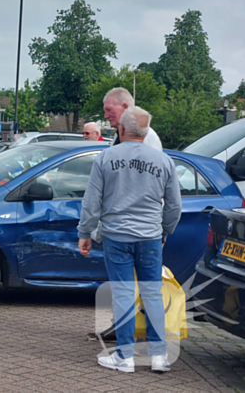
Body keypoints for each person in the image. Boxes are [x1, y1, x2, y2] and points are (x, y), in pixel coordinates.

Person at [77, 106, 182, 373]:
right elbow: (173, 207)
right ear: (146, 133)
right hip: (150, 236)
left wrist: (85, 233)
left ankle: (124, 356)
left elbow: (92, 201)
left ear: (121, 130)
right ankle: (159, 355)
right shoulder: (164, 161)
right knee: (152, 293)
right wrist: (165, 231)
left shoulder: (105, 158)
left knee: (123, 293)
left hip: (116, 235)